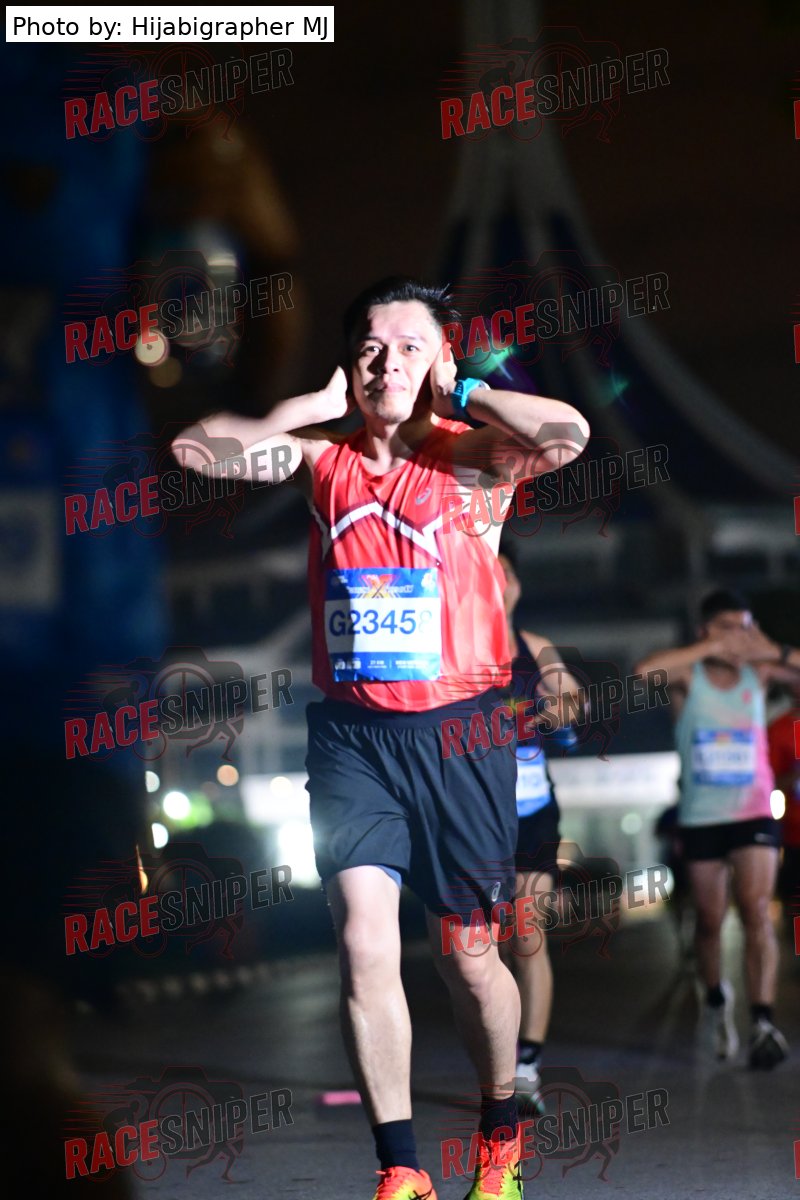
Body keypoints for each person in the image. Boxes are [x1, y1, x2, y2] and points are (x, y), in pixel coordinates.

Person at [173, 277, 589, 1200]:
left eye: (408, 347)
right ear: (349, 363)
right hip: (354, 740)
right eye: (370, 348)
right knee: (364, 943)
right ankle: (400, 1168)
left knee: (467, 958)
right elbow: (195, 448)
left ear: (438, 359)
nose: (385, 364)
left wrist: (470, 389)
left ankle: (499, 1136)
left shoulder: (473, 458)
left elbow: (569, 435)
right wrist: (310, 406)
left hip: (460, 735)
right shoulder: (321, 462)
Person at [635, 589, 800, 1069]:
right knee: (709, 920)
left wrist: (771, 648)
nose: (739, 638)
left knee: (755, 910)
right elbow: (643, 673)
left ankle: (763, 1022)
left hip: (753, 812)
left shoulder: (759, 672)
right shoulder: (688, 676)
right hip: (702, 816)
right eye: (730, 627)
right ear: (706, 629)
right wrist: (708, 647)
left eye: (745, 627)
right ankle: (715, 1000)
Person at [496, 544, 583, 1116]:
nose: (495, 581)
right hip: (472, 819)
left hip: (531, 813)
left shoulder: (535, 647)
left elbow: (573, 700)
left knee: (528, 938)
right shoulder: (451, 647)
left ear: (517, 585)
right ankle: (496, 1059)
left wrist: (557, 712)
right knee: (481, 948)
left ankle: (526, 1066)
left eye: (504, 571)